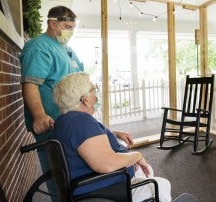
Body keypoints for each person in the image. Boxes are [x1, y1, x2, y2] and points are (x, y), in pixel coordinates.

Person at [52, 72, 172, 201]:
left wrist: (114, 134)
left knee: (147, 170)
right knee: (162, 185)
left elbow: (86, 139)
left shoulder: (64, 121)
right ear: (86, 99)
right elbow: (108, 164)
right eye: (93, 90)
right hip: (102, 190)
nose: (95, 94)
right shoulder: (82, 122)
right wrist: (137, 155)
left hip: (88, 183)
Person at [20, 5, 84, 199]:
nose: (70, 32)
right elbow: (30, 84)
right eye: (66, 26)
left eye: (73, 28)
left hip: (72, 121)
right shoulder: (39, 46)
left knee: (75, 169)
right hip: (52, 123)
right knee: (59, 174)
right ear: (53, 23)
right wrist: (39, 115)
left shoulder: (66, 49)